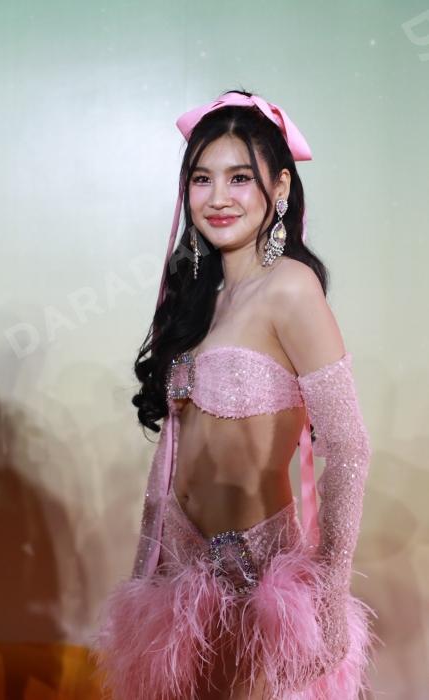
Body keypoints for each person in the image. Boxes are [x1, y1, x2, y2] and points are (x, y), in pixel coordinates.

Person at [91, 89, 378, 699]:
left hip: (252, 569)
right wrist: (154, 562)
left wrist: (329, 595)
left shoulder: (291, 289)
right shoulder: (203, 300)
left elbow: (349, 448)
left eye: (239, 177)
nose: (218, 197)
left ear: (280, 188)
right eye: (202, 179)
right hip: (178, 564)